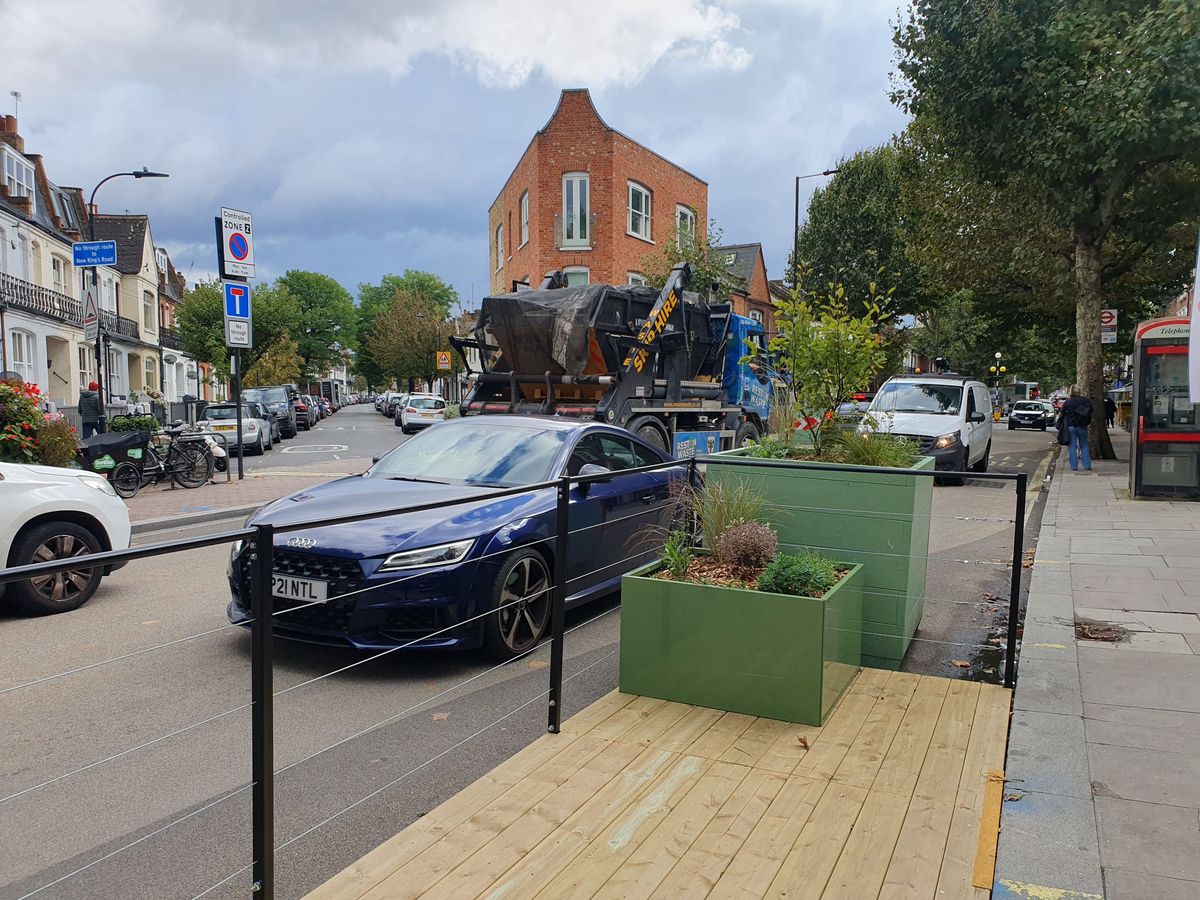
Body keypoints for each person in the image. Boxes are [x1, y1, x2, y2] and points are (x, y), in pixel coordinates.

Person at [1061, 384, 1092, 471]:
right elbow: (1091, 411)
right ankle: (1087, 465)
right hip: (1083, 425)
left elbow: (1062, 413)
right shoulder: (1086, 401)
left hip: (1071, 426)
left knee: (1072, 446)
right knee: (1084, 445)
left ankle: (1074, 466)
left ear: (1071, 391)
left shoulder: (1068, 402)